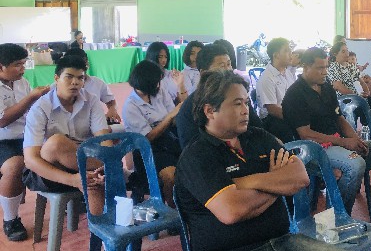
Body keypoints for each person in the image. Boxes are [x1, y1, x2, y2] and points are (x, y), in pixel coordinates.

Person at [174, 70, 371, 251]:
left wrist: (246, 182)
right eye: (237, 104)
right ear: (210, 111)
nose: (246, 110)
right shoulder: (197, 156)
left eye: (246, 103)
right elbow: (233, 211)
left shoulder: (258, 137)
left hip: (284, 242)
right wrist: (278, 183)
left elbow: (300, 177)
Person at [282, 48, 371, 214]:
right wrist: (344, 142)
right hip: (314, 150)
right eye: (320, 68)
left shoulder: (326, 87)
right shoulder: (295, 94)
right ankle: (339, 217)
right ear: (306, 67)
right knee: (355, 165)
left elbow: (339, 118)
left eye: (326, 67)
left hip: (337, 143)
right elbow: (305, 134)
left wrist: (356, 140)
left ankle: (355, 195)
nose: (325, 72)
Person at [23, 55, 110, 216]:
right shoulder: (40, 107)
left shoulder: (91, 101)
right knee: (56, 143)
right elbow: (30, 160)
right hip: (49, 171)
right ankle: (112, 170)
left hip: (84, 165)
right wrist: (72, 180)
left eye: (80, 78)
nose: (75, 82)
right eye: (69, 77)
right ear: (56, 78)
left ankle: (101, 230)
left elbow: (103, 139)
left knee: (93, 177)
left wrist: (99, 168)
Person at [0, 44, 49, 241]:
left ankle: (70, 197)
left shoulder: (22, 83)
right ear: (1, 66)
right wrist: (31, 98)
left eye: (24, 64)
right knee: (15, 166)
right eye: (17, 65)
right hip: (3, 140)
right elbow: (3, 120)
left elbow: (32, 110)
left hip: (25, 136)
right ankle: (10, 220)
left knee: (57, 150)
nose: (23, 69)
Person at [176, 44, 263, 150]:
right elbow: (192, 151)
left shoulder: (241, 98)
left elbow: (258, 130)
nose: (228, 70)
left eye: (229, 64)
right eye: (222, 66)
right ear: (203, 73)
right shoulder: (189, 108)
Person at [121, 60, 182, 206]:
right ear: (147, 83)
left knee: (194, 164)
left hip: (169, 141)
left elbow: (173, 118)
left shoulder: (159, 92)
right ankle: (172, 211)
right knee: (171, 176)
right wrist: (169, 117)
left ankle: (187, 208)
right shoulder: (131, 106)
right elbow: (148, 138)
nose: (159, 85)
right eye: (156, 82)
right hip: (148, 151)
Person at [327, 42, 371, 124]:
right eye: (343, 51)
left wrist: (366, 92)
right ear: (335, 54)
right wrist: (356, 95)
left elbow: (361, 82)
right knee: (363, 109)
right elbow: (339, 87)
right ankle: (365, 125)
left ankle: (367, 126)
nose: (347, 54)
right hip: (343, 100)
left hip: (356, 97)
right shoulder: (333, 67)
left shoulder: (351, 66)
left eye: (347, 50)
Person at [255, 38, 297, 143]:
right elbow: (272, 109)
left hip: (288, 114)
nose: (291, 54)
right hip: (272, 120)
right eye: (287, 51)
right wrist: (296, 118)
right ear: (276, 55)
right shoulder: (267, 78)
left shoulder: (288, 73)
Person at [63, 48, 121, 124]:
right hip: (68, 125)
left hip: (95, 123)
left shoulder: (97, 83)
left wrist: (112, 110)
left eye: (82, 64)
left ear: (87, 63)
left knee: (119, 128)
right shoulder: (56, 87)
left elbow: (111, 102)